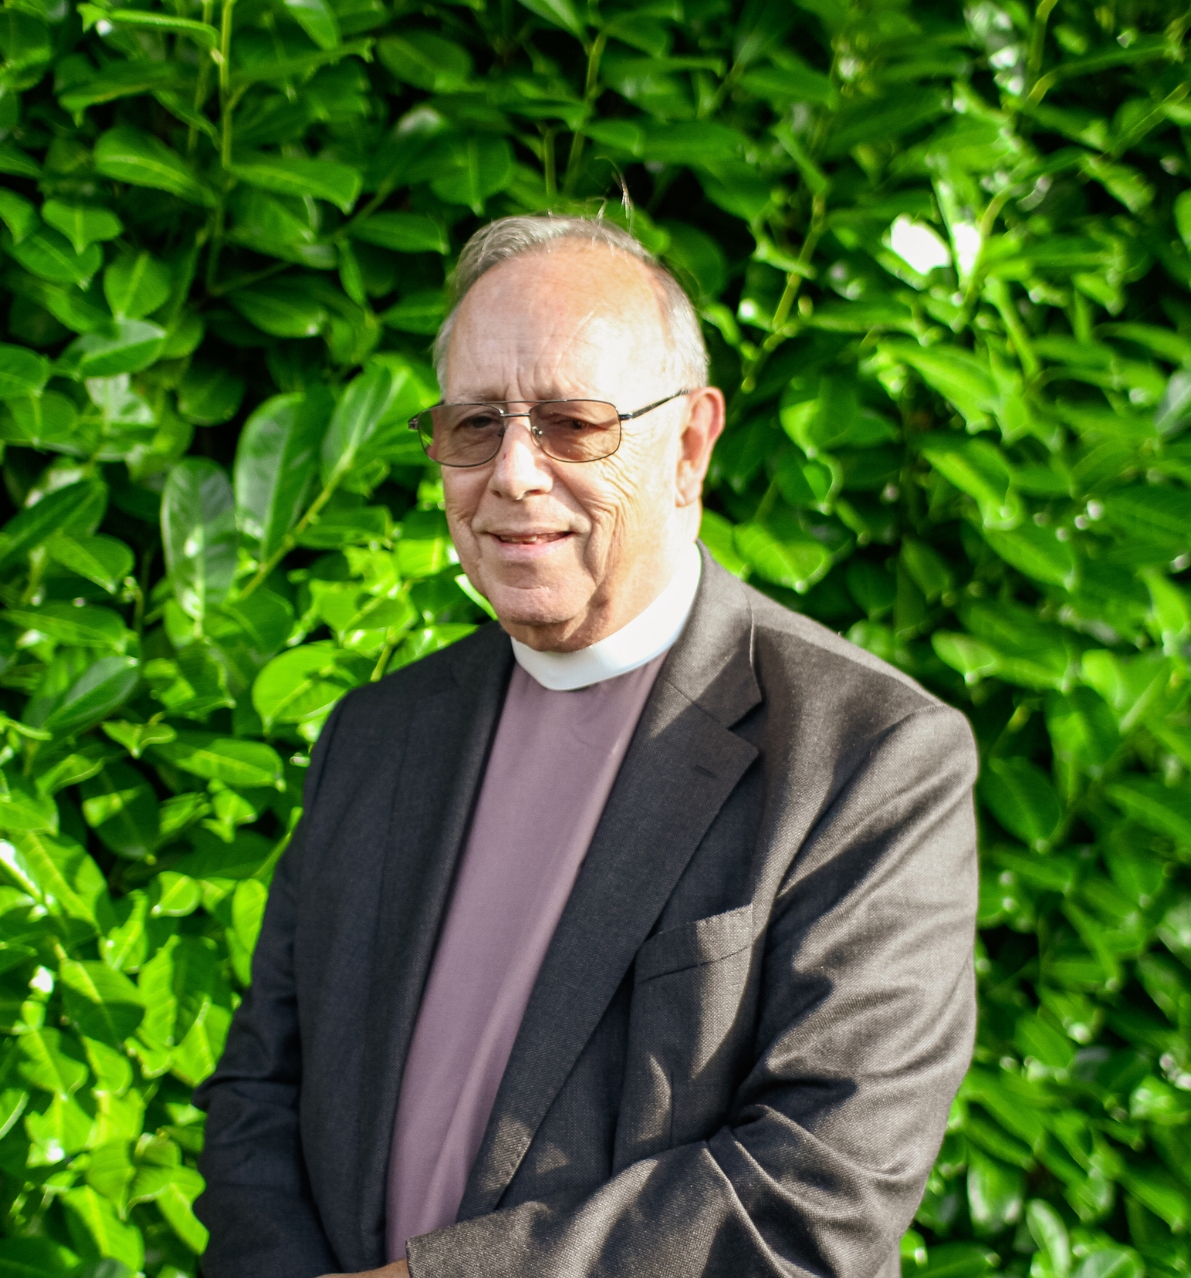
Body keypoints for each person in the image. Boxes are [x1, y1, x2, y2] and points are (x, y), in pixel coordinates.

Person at [191, 214, 980, 1278]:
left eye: (572, 423)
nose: (513, 474)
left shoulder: (867, 758)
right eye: (476, 425)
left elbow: (819, 1189)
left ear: (690, 445)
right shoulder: (376, 737)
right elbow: (259, 1095)